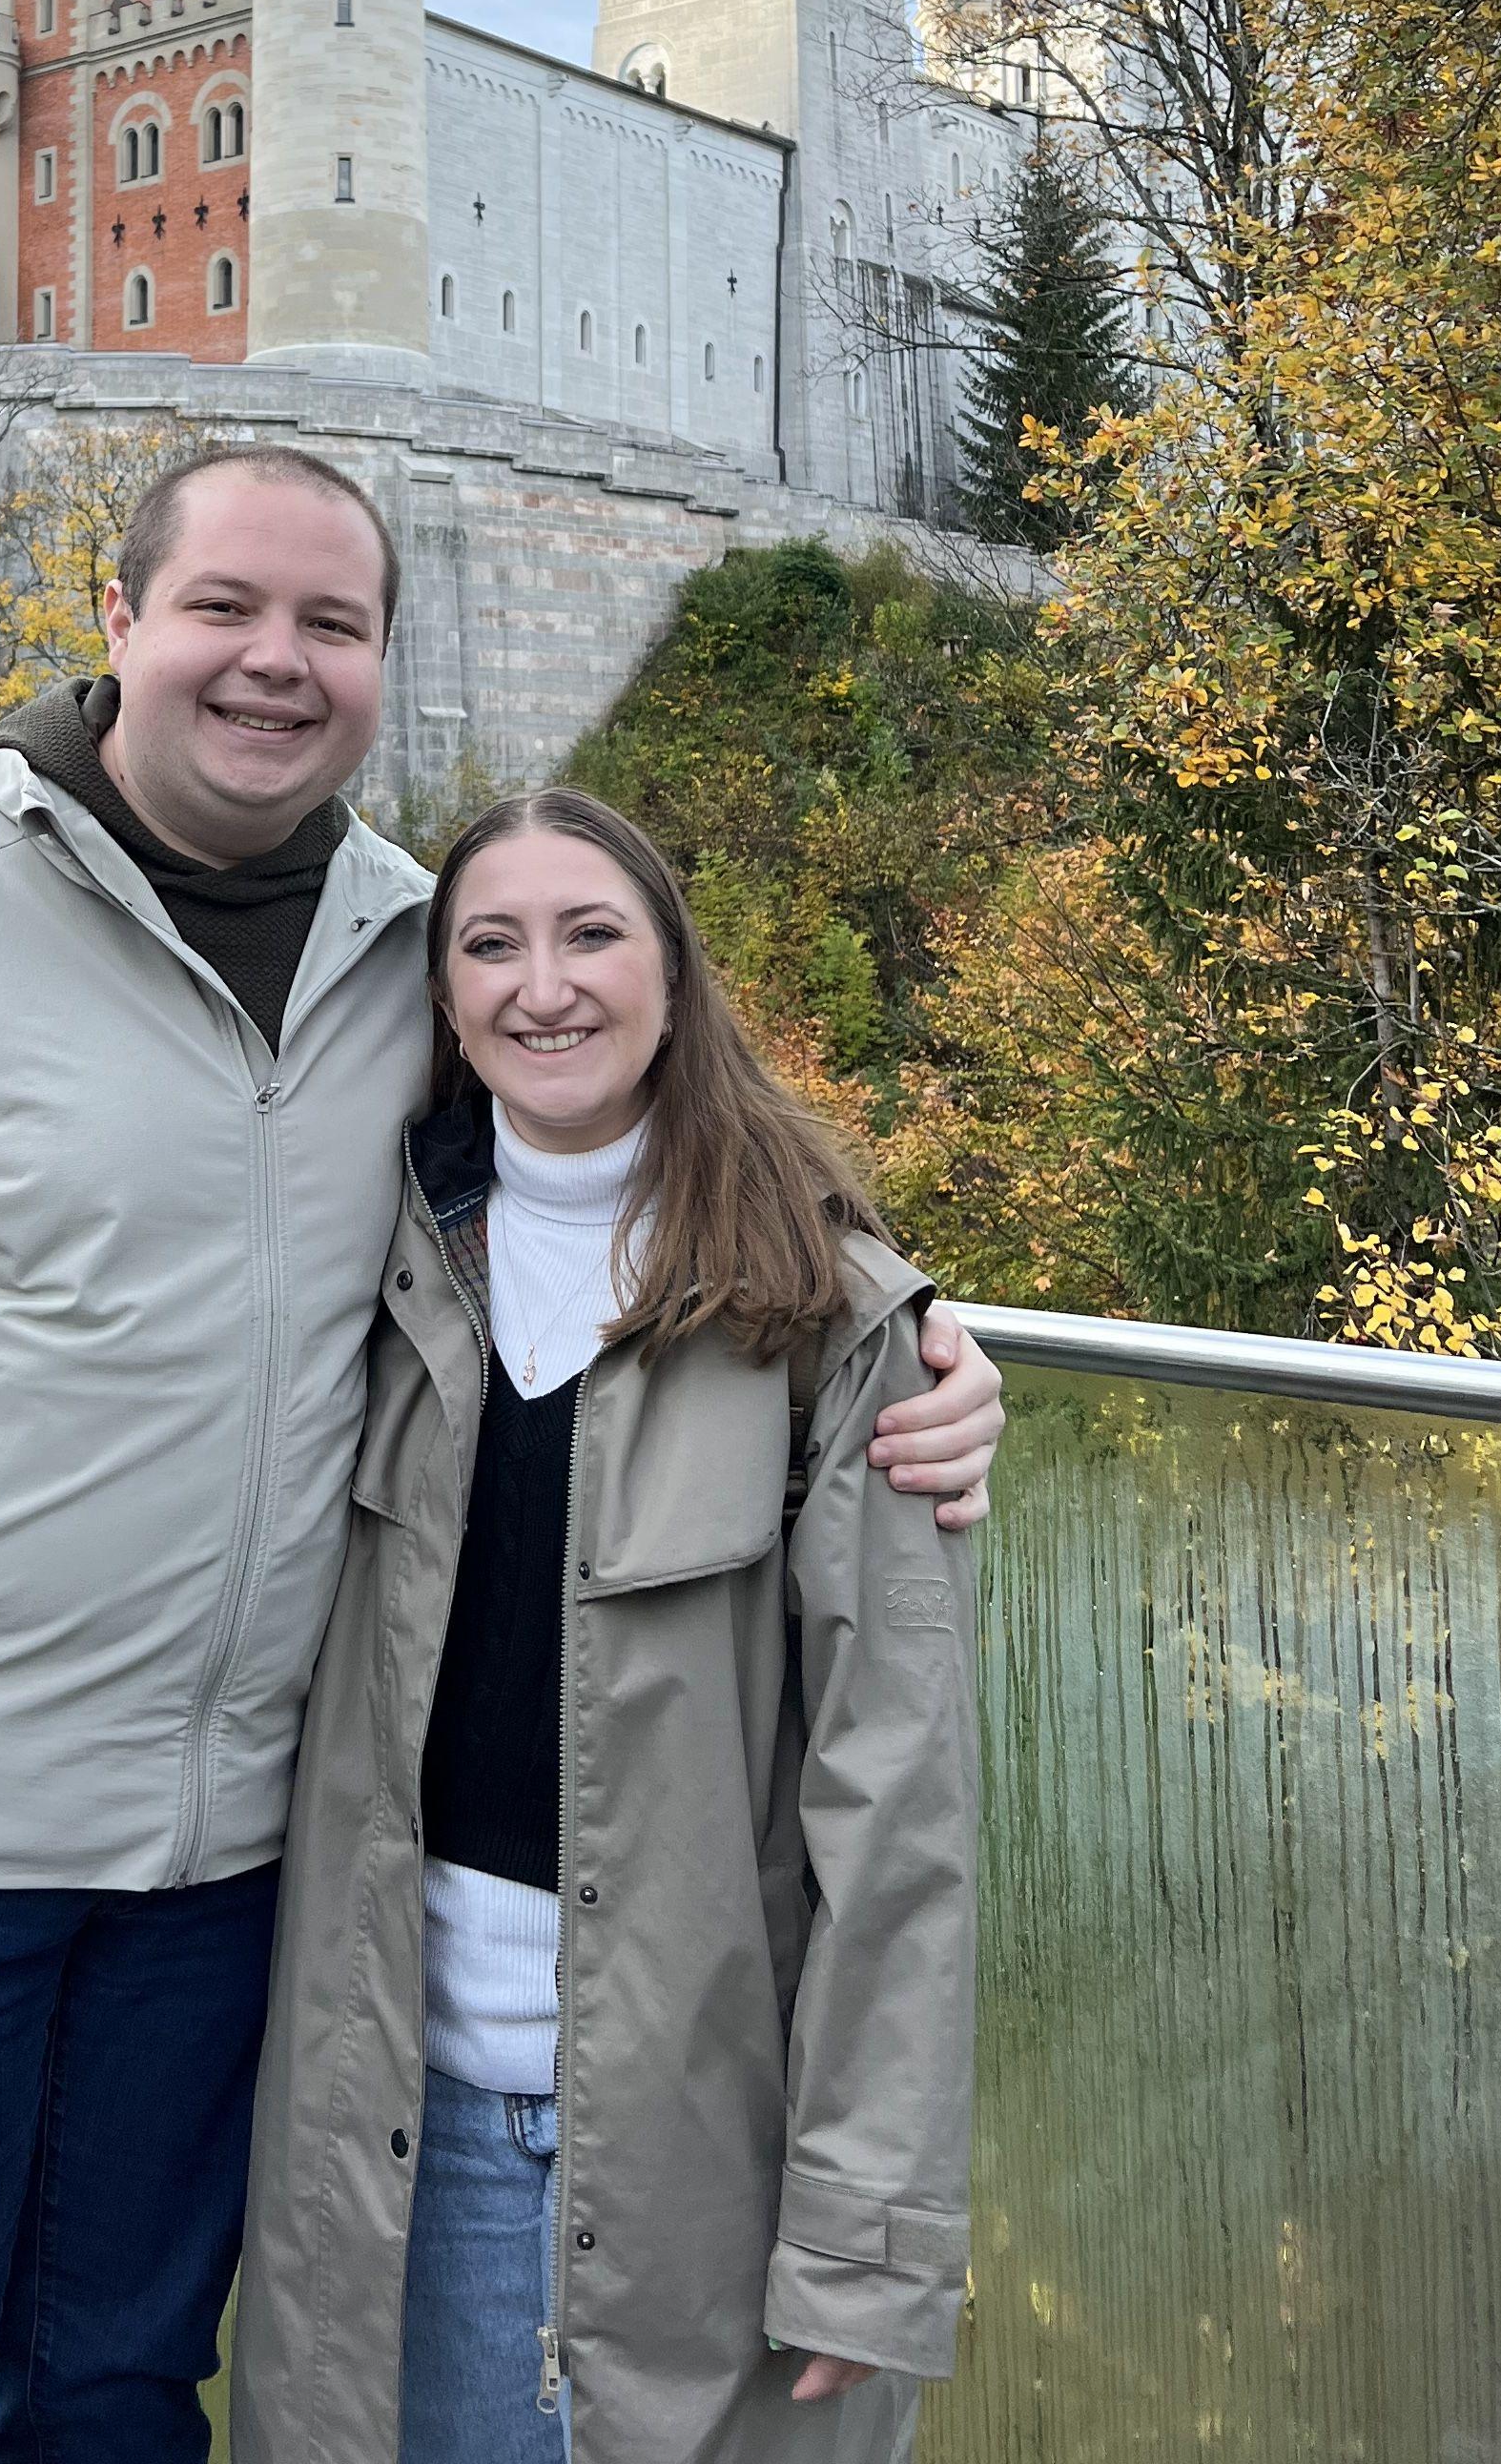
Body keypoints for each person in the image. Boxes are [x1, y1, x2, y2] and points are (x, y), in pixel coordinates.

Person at [0, 445, 1004, 2459]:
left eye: (335, 624)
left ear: (388, 660)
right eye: (225, 608)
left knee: (126, 2405)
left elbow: (628, 1178)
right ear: (118, 622)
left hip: (227, 1879)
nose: (274, 663)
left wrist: (908, 1345)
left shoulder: (412, 950)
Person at [230, 786, 978, 2461]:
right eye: (489, 943)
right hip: (386, 2131)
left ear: (672, 973)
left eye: (591, 935)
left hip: (695, 2152)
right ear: (441, 998)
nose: (541, 986)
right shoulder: (358, 1274)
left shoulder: (833, 1325)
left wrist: (865, 2238)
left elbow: (899, 1818)